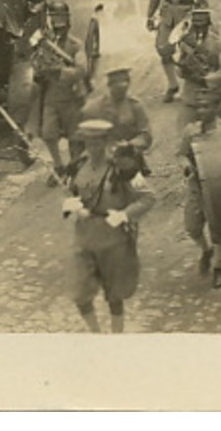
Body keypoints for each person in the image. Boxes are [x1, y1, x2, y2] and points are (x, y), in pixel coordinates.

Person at [63, 118, 156, 333]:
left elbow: (148, 197)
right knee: (80, 294)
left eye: (97, 142)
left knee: (115, 294)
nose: (92, 148)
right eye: (88, 142)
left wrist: (124, 215)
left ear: (106, 142)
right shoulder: (77, 165)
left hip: (114, 238)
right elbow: (69, 193)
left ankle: (116, 338)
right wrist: (74, 207)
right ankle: (96, 334)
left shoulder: (124, 166)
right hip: (84, 237)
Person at [178, 86, 221, 289]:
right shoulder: (190, 131)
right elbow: (181, 154)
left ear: (218, 107)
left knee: (220, 231)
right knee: (192, 227)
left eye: (207, 106)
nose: (202, 110)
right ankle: (205, 249)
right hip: (196, 188)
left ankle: (218, 266)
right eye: (200, 106)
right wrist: (186, 165)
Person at [31, 0, 89, 187]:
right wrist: (39, 72)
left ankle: (75, 169)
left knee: (75, 137)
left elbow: (81, 70)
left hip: (72, 96)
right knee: (48, 133)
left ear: (68, 22)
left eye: (62, 21)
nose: (59, 27)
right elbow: (36, 65)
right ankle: (58, 166)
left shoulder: (76, 45)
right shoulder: (46, 44)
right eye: (55, 21)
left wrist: (58, 72)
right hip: (51, 96)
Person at [147, 0, 209, 101]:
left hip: (186, 14)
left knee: (192, 50)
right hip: (168, 14)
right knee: (162, 47)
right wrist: (150, 15)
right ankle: (172, 84)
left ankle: (197, 84)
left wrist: (205, 14)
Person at [81, 66, 152, 158]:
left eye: (124, 87)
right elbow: (87, 131)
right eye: (117, 87)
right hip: (103, 154)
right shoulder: (96, 106)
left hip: (128, 155)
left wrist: (130, 144)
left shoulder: (135, 105)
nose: (121, 91)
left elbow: (146, 135)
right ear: (110, 85)